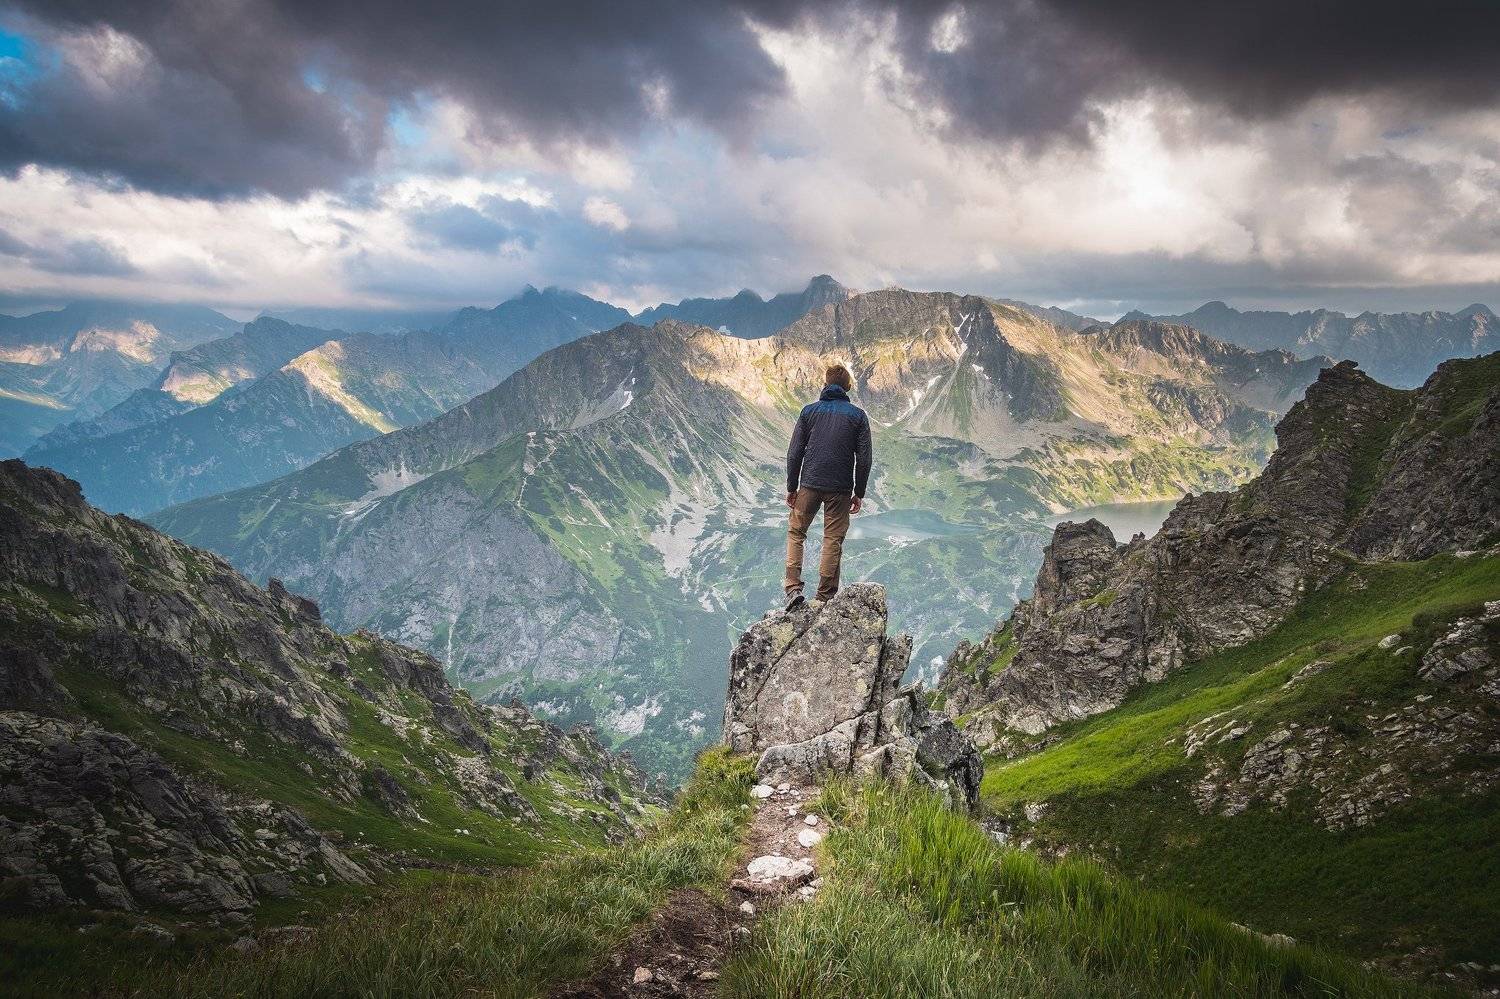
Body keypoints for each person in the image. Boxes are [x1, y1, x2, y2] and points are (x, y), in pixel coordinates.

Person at [783, 363, 873, 610]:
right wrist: (859, 493)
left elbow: (794, 453)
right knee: (832, 538)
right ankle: (824, 598)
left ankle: (792, 589)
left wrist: (792, 487)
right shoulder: (858, 416)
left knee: (796, 532)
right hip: (840, 489)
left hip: (809, 484)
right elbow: (864, 459)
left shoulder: (808, 412)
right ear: (848, 388)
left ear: (825, 384)